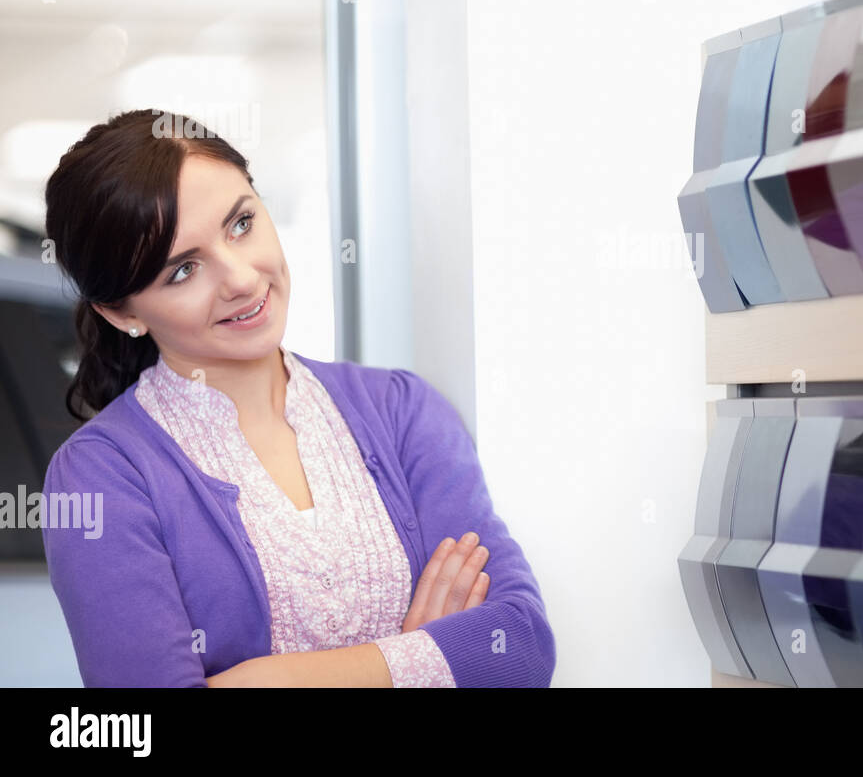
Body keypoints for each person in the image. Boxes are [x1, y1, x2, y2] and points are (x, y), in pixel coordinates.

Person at [41, 109, 555, 687]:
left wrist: (267, 679)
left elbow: (519, 647)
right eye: (183, 269)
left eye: (241, 224)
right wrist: (423, 659)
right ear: (122, 312)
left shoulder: (400, 409)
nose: (239, 278)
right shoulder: (101, 476)